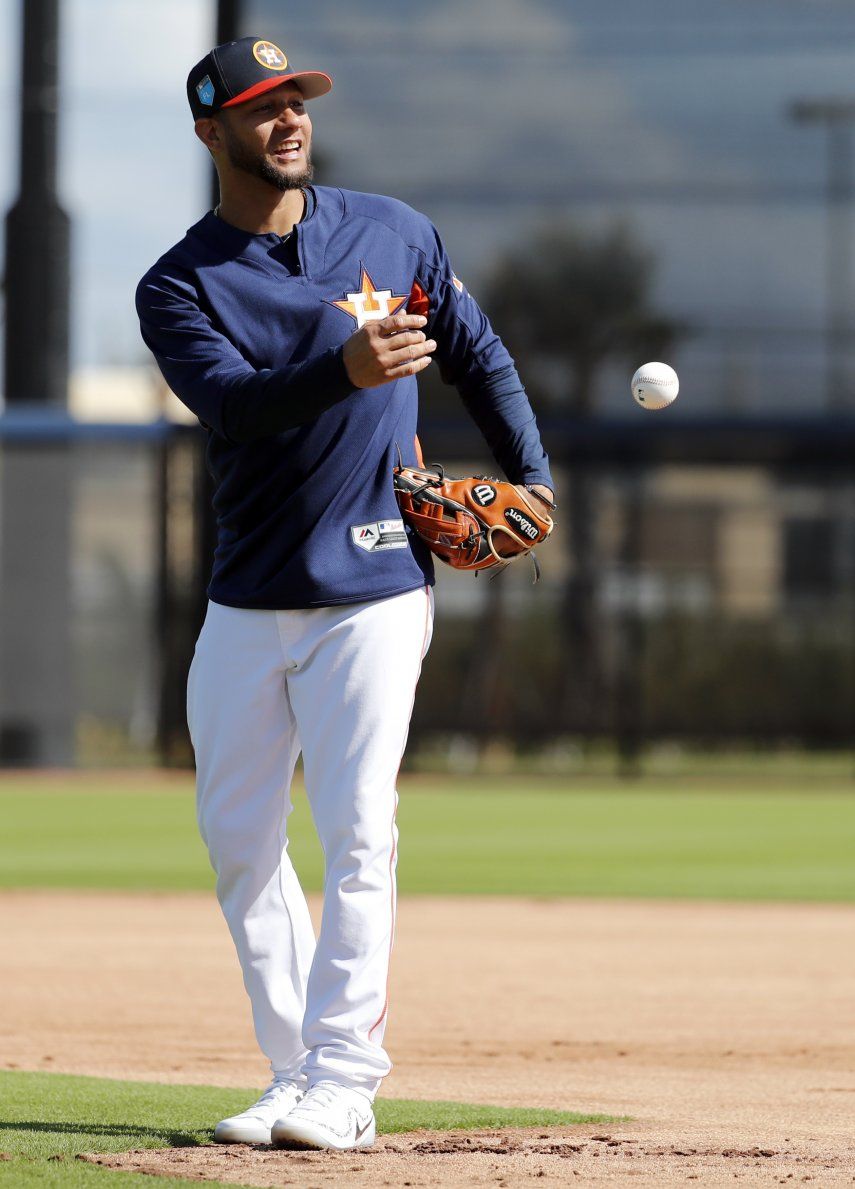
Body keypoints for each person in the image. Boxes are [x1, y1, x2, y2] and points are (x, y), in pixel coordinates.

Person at [136, 34, 554, 1152]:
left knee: (358, 829)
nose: (287, 120)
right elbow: (232, 405)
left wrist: (533, 472)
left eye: (297, 101)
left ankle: (345, 1076)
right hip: (245, 596)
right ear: (210, 132)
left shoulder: (393, 231)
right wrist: (346, 372)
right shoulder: (179, 284)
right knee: (237, 839)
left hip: (372, 582)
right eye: (261, 108)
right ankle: (294, 1071)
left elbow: (481, 352)